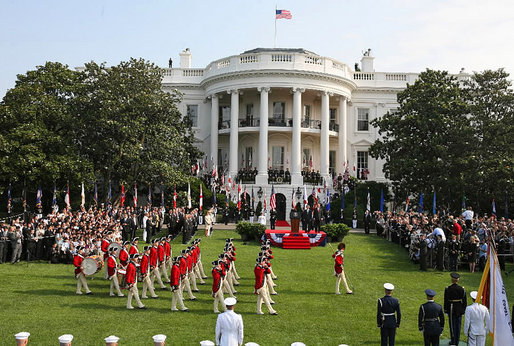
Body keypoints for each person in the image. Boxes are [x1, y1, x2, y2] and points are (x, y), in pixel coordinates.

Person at [444, 272, 467, 346]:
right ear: (458, 280)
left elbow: (446, 300)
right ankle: (457, 341)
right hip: (459, 308)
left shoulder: (448, 289)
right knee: (458, 325)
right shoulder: (462, 289)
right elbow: (465, 301)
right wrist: (463, 310)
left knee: (452, 325)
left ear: (452, 280)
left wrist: (446, 310)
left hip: (451, 308)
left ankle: (453, 341)